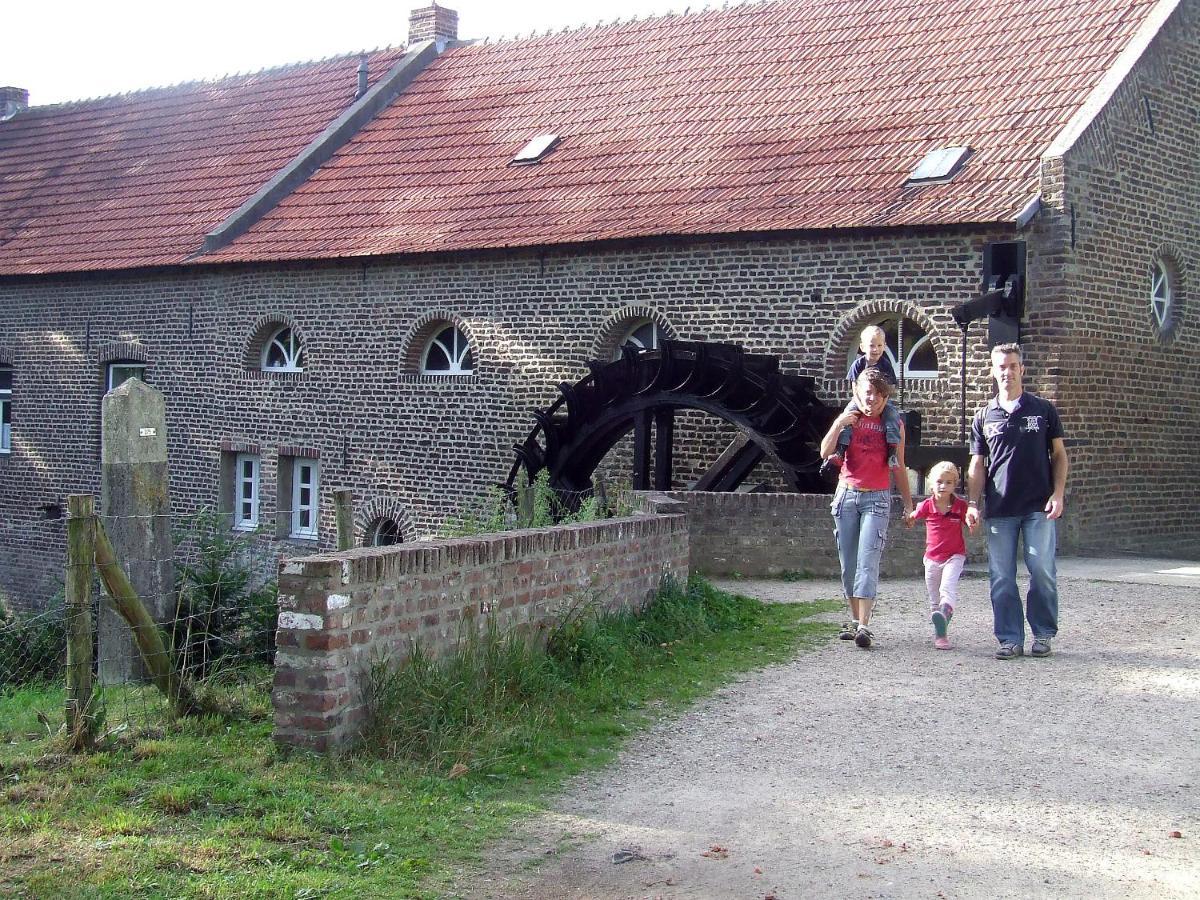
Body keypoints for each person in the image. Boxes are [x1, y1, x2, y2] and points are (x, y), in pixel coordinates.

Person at [965, 343, 1068, 660]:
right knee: (1001, 577)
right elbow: (977, 465)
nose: (1006, 372)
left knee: (1041, 569)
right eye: (1001, 367)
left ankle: (1043, 633)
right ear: (993, 372)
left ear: (1021, 369)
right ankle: (1009, 638)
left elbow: (1060, 455)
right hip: (1000, 510)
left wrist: (1058, 493)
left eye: (1012, 365)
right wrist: (972, 502)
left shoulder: (1043, 409)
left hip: (1038, 506)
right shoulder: (984, 416)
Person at [820, 367, 915, 649]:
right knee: (849, 563)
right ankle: (854, 620)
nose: (871, 399)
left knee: (867, 560)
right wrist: (838, 424)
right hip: (847, 495)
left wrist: (908, 504)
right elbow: (825, 452)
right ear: (857, 392)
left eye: (877, 395)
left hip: (877, 498)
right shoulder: (849, 420)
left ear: (885, 398)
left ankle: (864, 625)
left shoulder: (894, 425)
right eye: (867, 393)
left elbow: (899, 467)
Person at [907, 461, 974, 650]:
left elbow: (969, 520)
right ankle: (941, 634)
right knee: (934, 598)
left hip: (954, 556)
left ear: (955, 485)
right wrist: (909, 518)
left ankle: (944, 613)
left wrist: (971, 523)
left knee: (947, 589)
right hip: (932, 557)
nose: (943, 486)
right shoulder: (926, 505)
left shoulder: (960, 506)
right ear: (930, 484)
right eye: (939, 482)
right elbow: (913, 516)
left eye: (949, 482)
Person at [821, 325, 904, 476]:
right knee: (848, 415)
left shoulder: (885, 365)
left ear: (884, 346)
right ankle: (841, 450)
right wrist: (860, 406)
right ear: (862, 347)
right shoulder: (858, 365)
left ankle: (892, 452)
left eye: (879, 345)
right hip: (860, 399)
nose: (875, 349)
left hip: (881, 400)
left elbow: (888, 390)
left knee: (892, 416)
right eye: (872, 345)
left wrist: (880, 408)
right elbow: (854, 389)